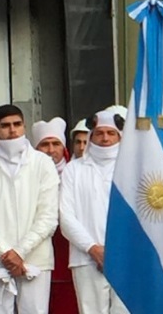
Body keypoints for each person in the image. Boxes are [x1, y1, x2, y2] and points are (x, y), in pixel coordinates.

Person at [0, 104, 59, 314]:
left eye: (17, 124)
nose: (12, 130)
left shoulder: (42, 163)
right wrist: (6, 252)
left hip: (36, 258)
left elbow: (48, 217)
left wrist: (20, 252)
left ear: (24, 126)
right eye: (5, 126)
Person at [59, 110, 129, 314]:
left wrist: (116, 250)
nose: (105, 138)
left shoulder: (131, 169)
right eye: (99, 133)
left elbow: (138, 216)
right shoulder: (74, 169)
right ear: (91, 135)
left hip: (125, 256)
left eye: (111, 133)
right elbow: (66, 216)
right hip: (85, 258)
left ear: (119, 136)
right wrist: (92, 248)